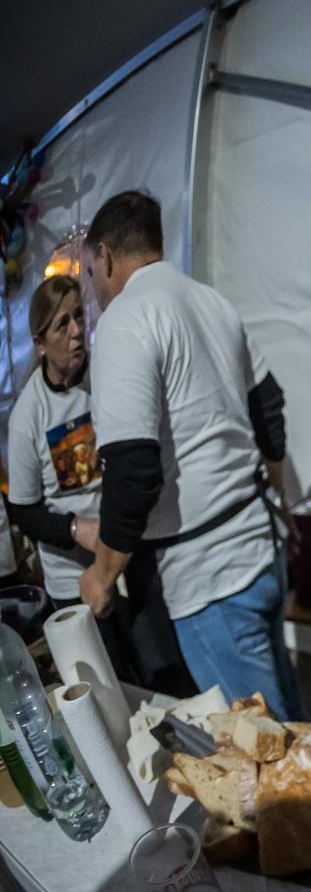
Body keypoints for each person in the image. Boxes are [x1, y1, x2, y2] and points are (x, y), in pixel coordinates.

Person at [77, 191, 301, 718]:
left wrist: (102, 576)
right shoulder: (212, 302)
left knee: (263, 754)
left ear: (105, 256)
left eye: (89, 272)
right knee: (289, 718)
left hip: (210, 580)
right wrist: (281, 502)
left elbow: (133, 471)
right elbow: (268, 409)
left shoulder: (124, 321)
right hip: (259, 544)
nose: (93, 287)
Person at [4, 275, 190, 690]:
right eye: (61, 325)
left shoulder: (106, 378)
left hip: (130, 553)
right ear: (39, 342)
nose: (75, 333)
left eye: (77, 317)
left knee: (163, 672)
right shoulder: (28, 417)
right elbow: (22, 510)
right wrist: (74, 528)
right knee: (111, 687)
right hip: (73, 576)